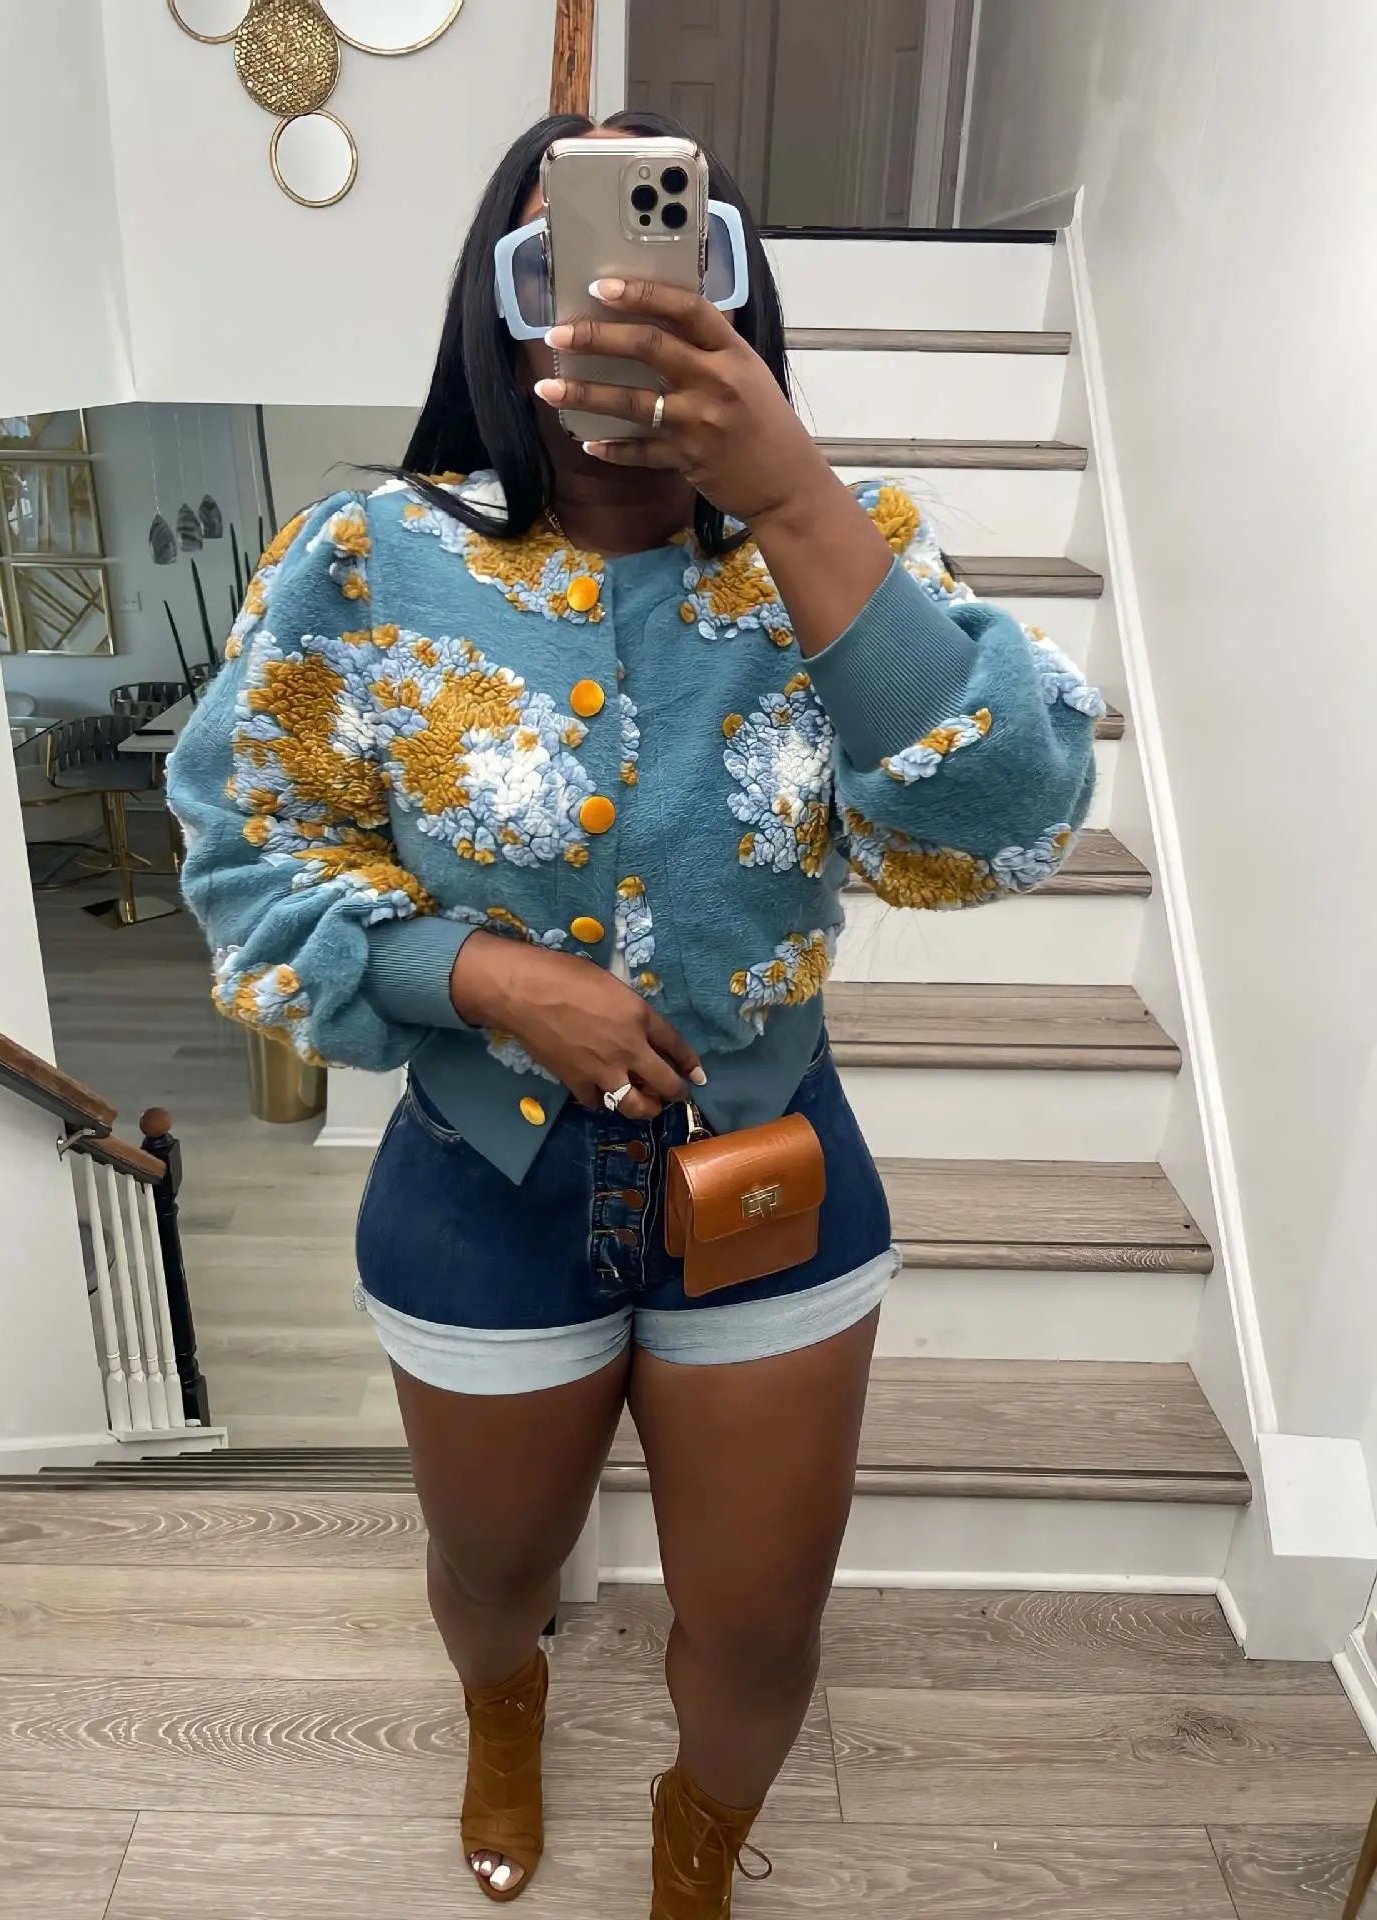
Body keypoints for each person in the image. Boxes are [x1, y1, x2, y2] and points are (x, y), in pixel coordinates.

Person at [168, 109, 1099, 1918]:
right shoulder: (366, 561)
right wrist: (487, 976)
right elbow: (244, 857)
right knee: (491, 1574)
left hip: (767, 1176)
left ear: (738, 299)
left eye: (677, 259)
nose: (608, 307)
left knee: (758, 1623)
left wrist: (798, 498)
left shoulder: (847, 548)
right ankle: (502, 1707)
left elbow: (1008, 820)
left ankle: (695, 1860)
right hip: (481, 1182)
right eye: (553, 268)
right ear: (496, 310)